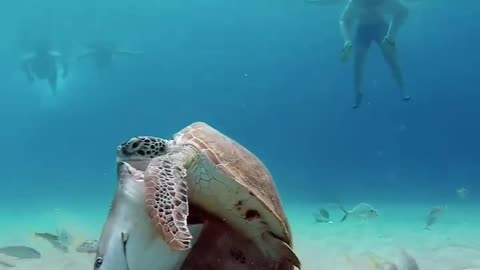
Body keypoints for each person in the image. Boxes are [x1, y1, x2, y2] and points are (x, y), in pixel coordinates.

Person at [339, 0, 411, 109]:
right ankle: (403, 90)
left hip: (372, 28)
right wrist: (346, 40)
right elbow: (403, 12)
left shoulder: (355, 4)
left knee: (361, 63)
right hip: (372, 28)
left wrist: (347, 40)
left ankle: (358, 94)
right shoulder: (355, 3)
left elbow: (344, 20)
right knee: (389, 61)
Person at [78, 41, 143, 71]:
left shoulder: (107, 51)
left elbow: (124, 53)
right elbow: (123, 52)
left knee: (104, 68)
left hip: (103, 63)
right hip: (101, 63)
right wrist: (134, 53)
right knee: (101, 68)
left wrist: (134, 53)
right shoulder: (98, 52)